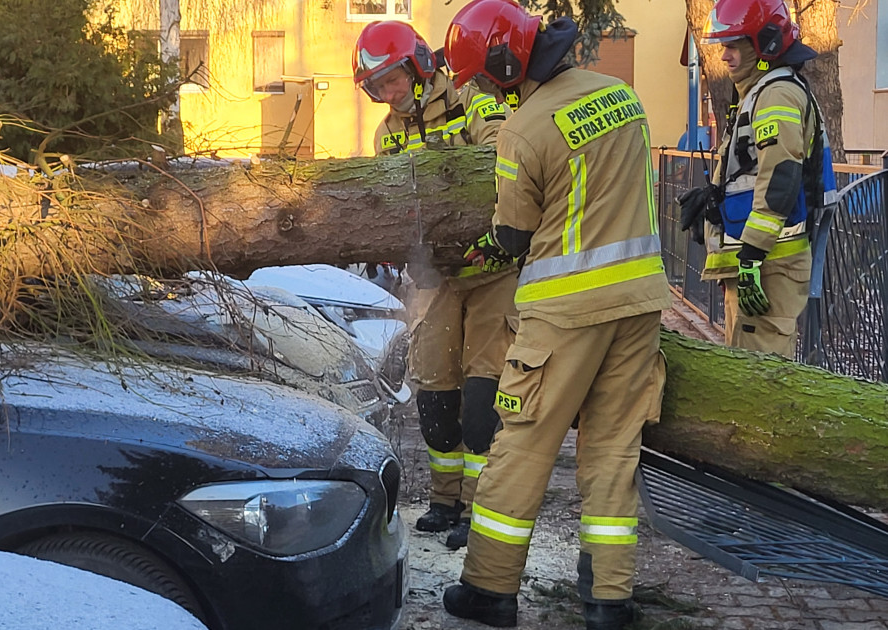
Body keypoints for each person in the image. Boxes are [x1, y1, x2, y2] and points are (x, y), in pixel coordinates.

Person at [439, 1, 671, 628]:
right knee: (614, 451)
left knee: (522, 445)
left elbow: (514, 234)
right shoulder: (623, 96)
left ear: (504, 63)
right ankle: (609, 601)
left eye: (485, 79)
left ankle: (489, 588)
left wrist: (490, 242)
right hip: (640, 304)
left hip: (562, 313)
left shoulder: (521, 131)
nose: (487, 92)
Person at [353, 20, 518, 550]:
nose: (388, 93)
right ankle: (445, 501)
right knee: (436, 400)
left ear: (418, 66)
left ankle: (478, 506)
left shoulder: (474, 101)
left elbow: (502, 164)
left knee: (481, 400)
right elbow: (387, 199)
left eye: (393, 79)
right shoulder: (387, 133)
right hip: (434, 277)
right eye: (377, 86)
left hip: (491, 271)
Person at [680, 0, 837, 357]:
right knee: (745, 364)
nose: (724, 56)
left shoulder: (776, 94)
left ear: (763, 45)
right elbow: (753, 173)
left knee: (761, 373)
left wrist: (751, 254)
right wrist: (715, 203)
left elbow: (781, 177)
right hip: (763, 263)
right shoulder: (761, 92)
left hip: (769, 266)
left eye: (734, 46)